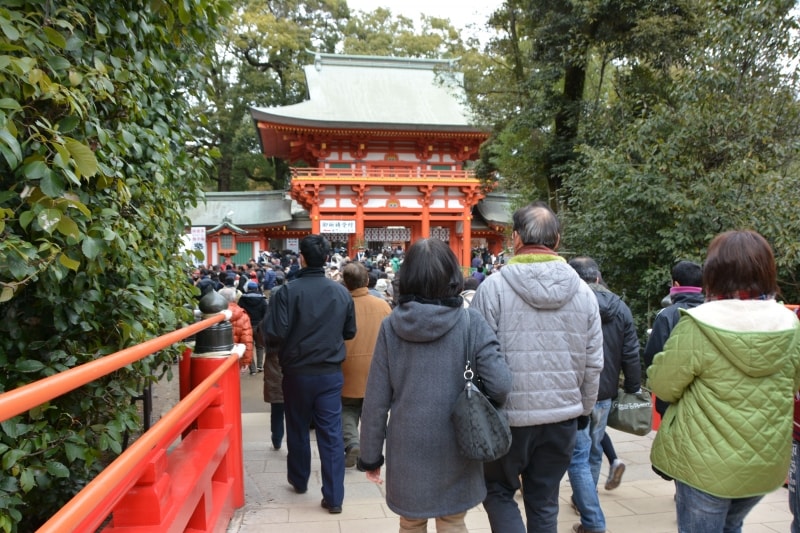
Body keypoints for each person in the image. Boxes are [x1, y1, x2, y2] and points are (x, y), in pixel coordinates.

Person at [648, 229, 800, 532]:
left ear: (714, 272)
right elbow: (794, 383)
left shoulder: (700, 324)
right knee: (732, 525)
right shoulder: (790, 324)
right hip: (764, 462)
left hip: (704, 465)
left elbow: (663, 385)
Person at [358, 238, 512, 533]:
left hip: (407, 448)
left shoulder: (391, 327)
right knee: (453, 521)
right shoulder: (471, 322)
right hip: (459, 442)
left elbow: (376, 401)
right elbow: (501, 385)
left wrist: (370, 456)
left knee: (411, 522)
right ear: (452, 276)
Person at [470, 201, 604, 533]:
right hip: (561, 417)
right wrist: (583, 409)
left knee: (499, 492)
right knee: (544, 500)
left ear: (515, 238)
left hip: (508, 418)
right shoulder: (584, 293)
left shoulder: (493, 288)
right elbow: (593, 362)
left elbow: (478, 357)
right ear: (556, 239)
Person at [264, 234, 356, 514]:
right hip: (330, 372)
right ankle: (334, 496)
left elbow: (274, 333)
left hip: (297, 371)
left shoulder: (287, 292)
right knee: (331, 432)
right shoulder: (341, 292)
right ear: (327, 258)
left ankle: (300, 478)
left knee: (298, 426)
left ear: (301, 257)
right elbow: (349, 332)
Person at [566, 257, 641, 533]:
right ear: (598, 277)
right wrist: (633, 386)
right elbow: (631, 351)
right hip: (606, 391)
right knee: (594, 452)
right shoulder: (620, 307)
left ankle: (592, 519)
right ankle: (587, 501)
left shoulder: (570, 304)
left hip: (576, 391)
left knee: (577, 457)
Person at [340, 262, 391, 468]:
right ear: (367, 281)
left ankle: (352, 442)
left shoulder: (341, 305)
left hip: (347, 367)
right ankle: (371, 453)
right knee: (371, 411)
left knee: (346, 409)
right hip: (376, 368)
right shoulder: (383, 306)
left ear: (345, 283)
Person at [642, 260, 704, 417]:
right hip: (706, 397)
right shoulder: (713, 311)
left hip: (672, 399)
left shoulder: (667, 315)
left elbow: (653, 356)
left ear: (675, 284)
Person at [262, 281, 286, 450]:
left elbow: (260, 341)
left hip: (273, 367)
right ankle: (295, 442)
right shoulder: (295, 319)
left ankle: (276, 439)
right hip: (293, 367)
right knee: (296, 410)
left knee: (276, 409)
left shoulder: (266, 323)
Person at [217, 287, 253, 371]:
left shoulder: (214, 313)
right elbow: (246, 339)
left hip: (216, 355)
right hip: (234, 354)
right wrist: (246, 360)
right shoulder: (243, 315)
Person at [239, 281, 268, 375]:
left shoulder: (242, 299)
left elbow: (240, 312)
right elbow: (266, 313)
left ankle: (252, 369)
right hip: (259, 326)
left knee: (249, 347)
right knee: (260, 346)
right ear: (256, 288)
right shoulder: (262, 299)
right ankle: (260, 365)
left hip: (247, 326)